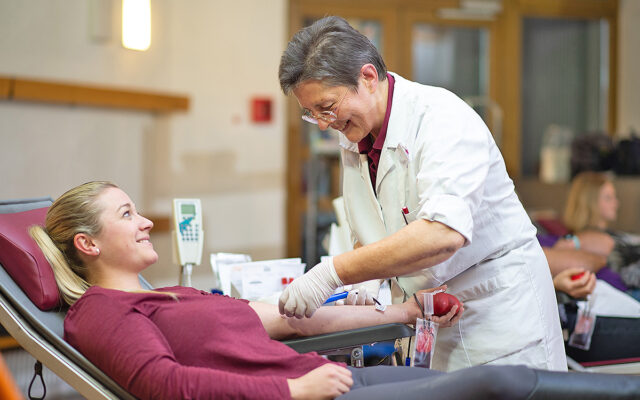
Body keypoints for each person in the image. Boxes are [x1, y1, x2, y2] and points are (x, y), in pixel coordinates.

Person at [29, 180, 550, 400]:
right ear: (88, 243)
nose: (144, 221)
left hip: (331, 380)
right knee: (497, 388)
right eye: (126, 214)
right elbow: (167, 387)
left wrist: (407, 310)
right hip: (308, 393)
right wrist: (291, 391)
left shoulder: (168, 295)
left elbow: (293, 316)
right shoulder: (100, 312)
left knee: (494, 382)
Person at [277, 16, 566, 372]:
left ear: (367, 77)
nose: (322, 123)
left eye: (327, 107)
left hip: (498, 315)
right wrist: (369, 281)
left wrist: (332, 272)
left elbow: (442, 234)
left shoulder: (442, 119)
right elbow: (375, 229)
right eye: (311, 114)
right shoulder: (356, 137)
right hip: (431, 315)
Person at [562, 171, 640, 300]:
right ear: (590, 202)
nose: (616, 203)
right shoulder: (586, 241)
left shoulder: (611, 235)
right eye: (608, 198)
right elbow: (618, 277)